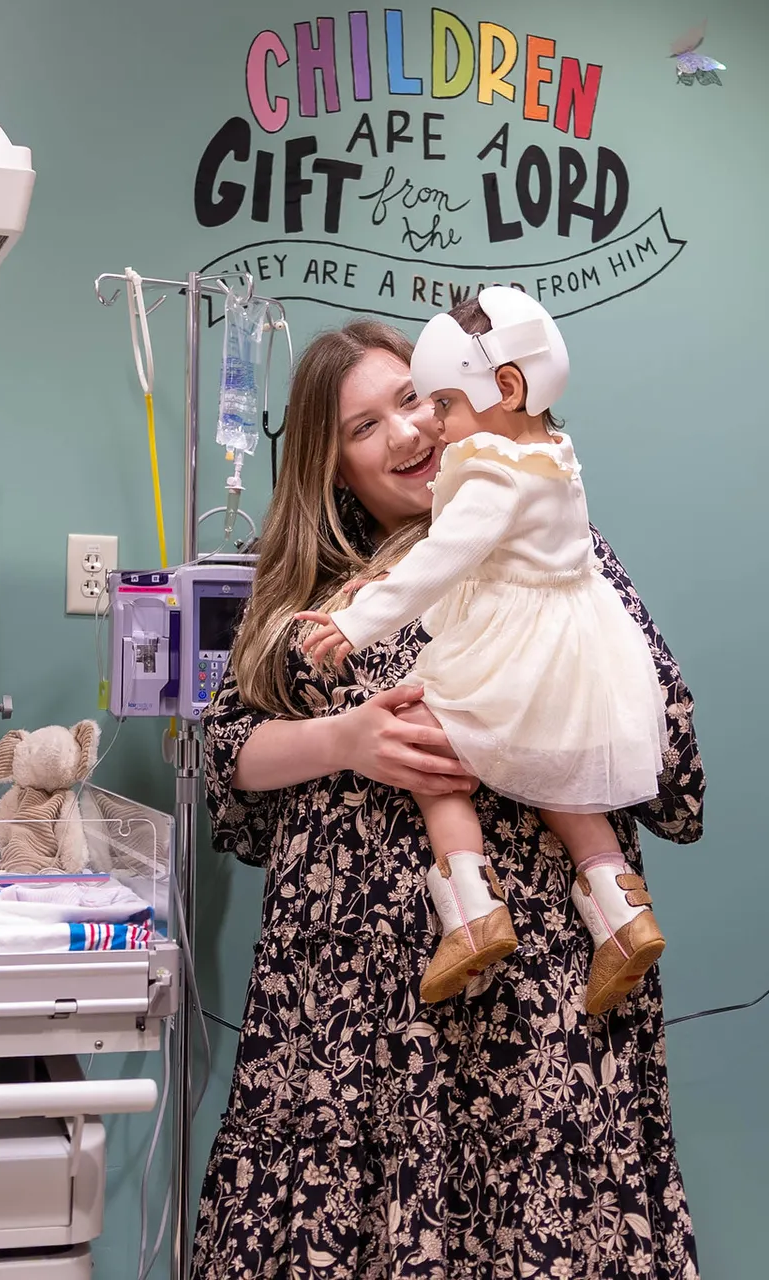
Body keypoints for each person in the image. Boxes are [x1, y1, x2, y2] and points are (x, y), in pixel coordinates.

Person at [193, 316, 705, 1278]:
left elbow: (667, 744)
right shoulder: (308, 587)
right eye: (363, 426)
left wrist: (521, 739)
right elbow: (231, 757)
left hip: (536, 1007)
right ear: (332, 467)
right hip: (342, 1021)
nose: (407, 432)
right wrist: (349, 740)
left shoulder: (552, 548)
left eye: (415, 400)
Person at [296, 288, 670, 1014]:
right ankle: (622, 913)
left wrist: (359, 622)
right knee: (563, 778)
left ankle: (471, 912)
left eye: (436, 403)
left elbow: (441, 559)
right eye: (367, 426)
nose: (427, 426)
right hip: (568, 649)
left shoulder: (489, 476)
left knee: (429, 748)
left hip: (516, 650)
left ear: (500, 388)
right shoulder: (551, 454)